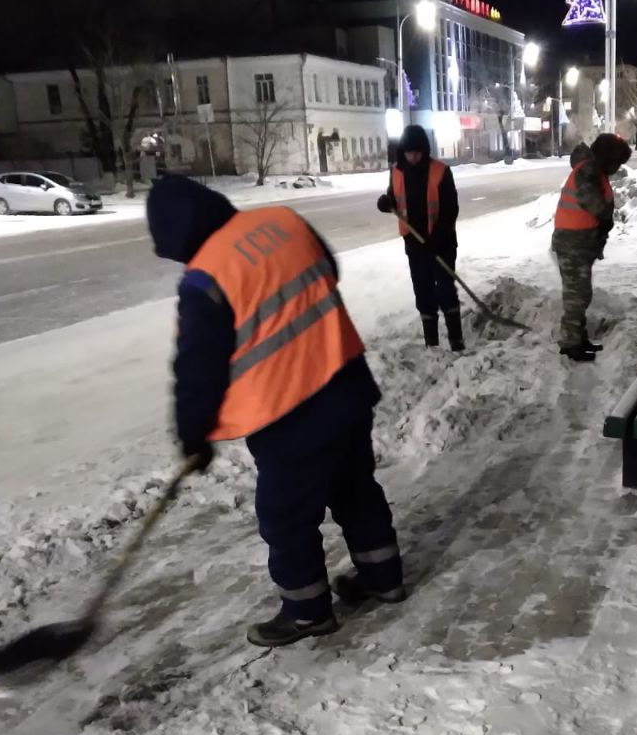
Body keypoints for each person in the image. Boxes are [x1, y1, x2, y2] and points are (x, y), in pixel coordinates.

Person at [146, 175, 404, 648]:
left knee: (286, 517)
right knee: (355, 489)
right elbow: (327, 270)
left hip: (290, 414)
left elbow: (198, 371)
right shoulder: (280, 220)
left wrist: (193, 437)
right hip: (346, 383)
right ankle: (384, 579)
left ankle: (307, 613)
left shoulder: (206, 279)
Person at [377, 125, 462, 351]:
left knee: (444, 289)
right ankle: (431, 343)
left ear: (424, 150)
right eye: (409, 152)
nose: (413, 157)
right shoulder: (396, 171)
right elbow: (394, 198)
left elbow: (450, 209)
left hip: (441, 243)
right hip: (414, 244)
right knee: (423, 292)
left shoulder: (440, 171)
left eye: (417, 152)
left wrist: (438, 239)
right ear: (403, 151)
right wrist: (387, 203)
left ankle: (456, 339)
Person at [552, 133, 633, 362]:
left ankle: (579, 338)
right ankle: (570, 344)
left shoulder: (593, 170)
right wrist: (606, 215)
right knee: (576, 296)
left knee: (581, 293)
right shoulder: (588, 172)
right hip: (572, 243)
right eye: (616, 163)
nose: (617, 168)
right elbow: (595, 204)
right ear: (608, 159)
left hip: (580, 242)